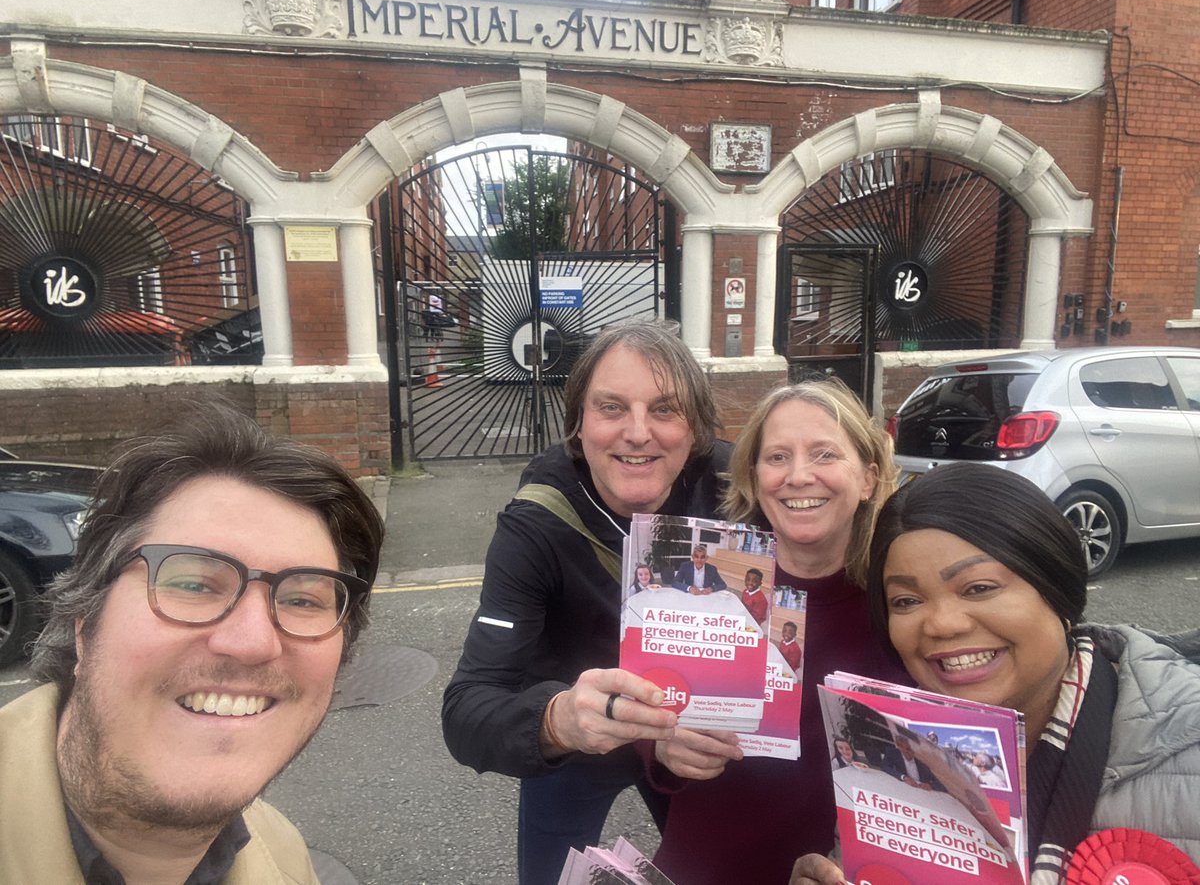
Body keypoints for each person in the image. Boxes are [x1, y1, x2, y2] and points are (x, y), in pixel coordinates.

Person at [0, 401, 385, 884]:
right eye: (193, 585)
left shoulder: (284, 858)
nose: (251, 642)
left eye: (303, 600)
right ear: (84, 621)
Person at [791, 463, 1200, 885]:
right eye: (907, 601)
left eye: (979, 587)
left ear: (1055, 585)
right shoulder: (890, 748)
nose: (942, 624)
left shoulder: (1187, 750)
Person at [441, 319, 731, 885]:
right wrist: (557, 722)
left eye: (665, 410)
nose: (638, 433)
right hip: (578, 738)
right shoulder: (536, 523)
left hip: (686, 732)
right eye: (612, 408)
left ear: (695, 428)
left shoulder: (730, 485)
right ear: (578, 424)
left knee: (714, 871)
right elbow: (467, 709)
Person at [644, 376, 910, 885]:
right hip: (699, 864)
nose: (798, 476)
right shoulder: (710, 581)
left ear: (869, 478)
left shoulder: (900, 601)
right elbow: (651, 701)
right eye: (777, 457)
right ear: (753, 476)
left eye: (825, 455)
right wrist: (659, 745)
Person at [880, 730, 947, 792]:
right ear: (900, 747)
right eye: (908, 748)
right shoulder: (893, 753)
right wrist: (903, 777)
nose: (911, 752)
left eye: (913, 749)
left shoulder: (923, 761)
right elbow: (884, 766)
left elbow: (942, 783)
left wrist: (930, 785)